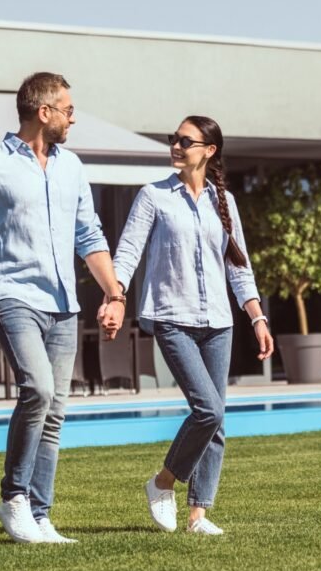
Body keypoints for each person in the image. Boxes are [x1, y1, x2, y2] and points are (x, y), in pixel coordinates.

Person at [0, 72, 126, 544]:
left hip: (62, 302)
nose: (73, 118)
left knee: (55, 410)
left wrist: (114, 293)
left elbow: (89, 235)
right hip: (10, 294)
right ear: (44, 112)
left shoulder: (72, 167)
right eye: (68, 110)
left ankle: (40, 515)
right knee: (38, 390)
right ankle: (14, 498)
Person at [109, 115, 274, 536]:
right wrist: (115, 295)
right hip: (172, 318)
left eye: (186, 141)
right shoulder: (153, 196)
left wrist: (257, 317)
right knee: (209, 409)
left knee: (216, 421)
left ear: (209, 150)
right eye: (174, 139)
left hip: (219, 321)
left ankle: (198, 515)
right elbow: (127, 252)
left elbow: (239, 267)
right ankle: (163, 482)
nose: (176, 147)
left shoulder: (225, 202)